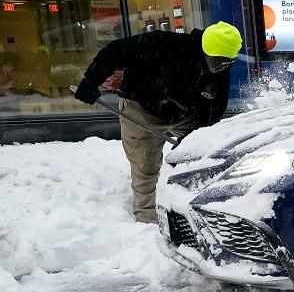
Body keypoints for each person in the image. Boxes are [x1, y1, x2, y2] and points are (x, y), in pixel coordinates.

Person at [74, 22, 242, 223]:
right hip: (142, 109)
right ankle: (147, 220)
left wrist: (195, 137)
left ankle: (203, 203)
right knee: (146, 166)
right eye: (218, 62)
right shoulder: (163, 44)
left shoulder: (221, 71)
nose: (222, 68)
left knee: (204, 151)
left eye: (227, 63)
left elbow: (213, 110)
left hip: (182, 113)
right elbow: (116, 50)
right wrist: (91, 80)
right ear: (204, 49)